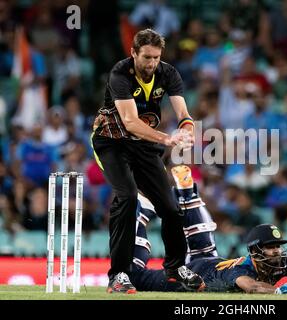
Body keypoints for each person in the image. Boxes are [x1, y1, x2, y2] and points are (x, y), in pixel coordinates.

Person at [130, 165, 287, 296]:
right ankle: (141, 214)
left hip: (211, 259)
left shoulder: (283, 261)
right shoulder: (242, 270)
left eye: (277, 246)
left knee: (202, 237)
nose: (277, 251)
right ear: (255, 252)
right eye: (271, 247)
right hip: (191, 276)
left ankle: (186, 193)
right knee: (134, 276)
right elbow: (250, 286)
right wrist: (280, 291)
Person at [91, 29, 203, 294]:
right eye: (146, 57)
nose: (151, 63)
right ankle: (118, 275)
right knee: (127, 198)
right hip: (111, 143)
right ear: (133, 53)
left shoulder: (168, 73)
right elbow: (130, 123)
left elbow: (184, 114)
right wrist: (167, 139)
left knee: (171, 208)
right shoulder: (120, 74)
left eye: (156, 57)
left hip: (144, 146)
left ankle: (175, 269)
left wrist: (187, 130)